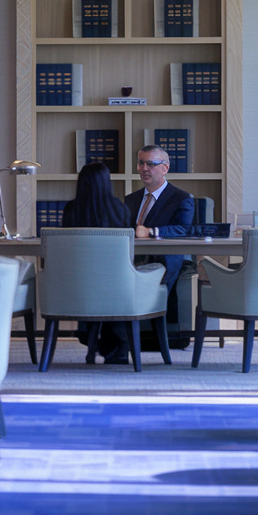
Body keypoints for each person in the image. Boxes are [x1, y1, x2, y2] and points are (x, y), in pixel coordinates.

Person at [62, 161, 132, 363]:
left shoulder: (71, 210)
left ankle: (91, 338)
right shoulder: (120, 209)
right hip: (115, 283)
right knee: (113, 286)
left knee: (95, 287)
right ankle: (116, 346)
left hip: (79, 284)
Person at [124, 145, 194, 329]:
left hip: (164, 258)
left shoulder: (181, 198)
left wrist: (151, 232)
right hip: (131, 259)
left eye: (151, 164)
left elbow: (183, 229)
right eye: (141, 163)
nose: (144, 168)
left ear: (165, 168)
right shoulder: (130, 199)